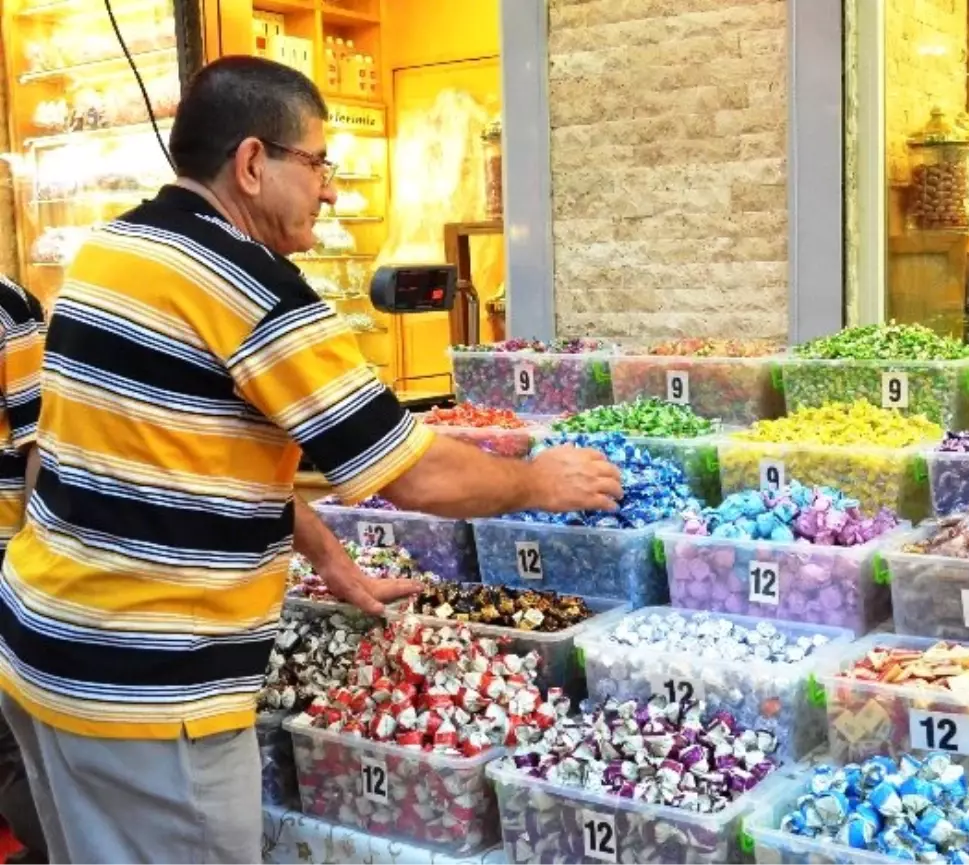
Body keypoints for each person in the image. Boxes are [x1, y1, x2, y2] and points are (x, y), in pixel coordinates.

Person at [0, 55, 622, 864]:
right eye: (319, 162)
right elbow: (415, 473)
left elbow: (176, 454)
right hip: (151, 689)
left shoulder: (110, 252)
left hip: (41, 651)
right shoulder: (257, 290)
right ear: (253, 163)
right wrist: (539, 480)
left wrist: (327, 553)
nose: (329, 187)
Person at [0, 276, 46, 864]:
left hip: (7, 552)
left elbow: (40, 440)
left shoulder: (8, 308)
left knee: (15, 743)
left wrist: (35, 558)